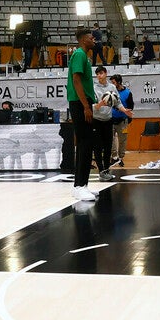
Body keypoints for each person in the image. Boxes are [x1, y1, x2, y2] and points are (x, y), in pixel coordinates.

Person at [66, 28, 99, 201]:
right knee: (85, 144)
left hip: (83, 103)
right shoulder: (79, 54)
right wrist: (86, 106)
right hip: (80, 103)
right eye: (91, 37)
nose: (94, 39)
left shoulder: (84, 56)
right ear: (83, 39)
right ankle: (79, 186)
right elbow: (76, 79)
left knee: (86, 144)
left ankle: (81, 185)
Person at [92, 66, 131, 181]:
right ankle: (101, 171)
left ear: (106, 73)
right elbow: (92, 106)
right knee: (98, 147)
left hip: (108, 120)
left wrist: (124, 110)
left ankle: (106, 169)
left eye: (101, 73)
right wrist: (100, 104)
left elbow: (117, 103)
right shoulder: (93, 87)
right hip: (96, 120)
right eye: (97, 74)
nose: (99, 76)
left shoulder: (112, 87)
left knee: (108, 146)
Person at [110, 73, 135, 166]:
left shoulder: (127, 93)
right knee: (111, 139)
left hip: (123, 120)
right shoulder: (111, 92)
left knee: (122, 140)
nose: (112, 84)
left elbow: (131, 106)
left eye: (113, 82)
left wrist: (127, 114)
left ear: (119, 82)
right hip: (111, 119)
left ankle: (120, 158)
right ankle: (114, 157)